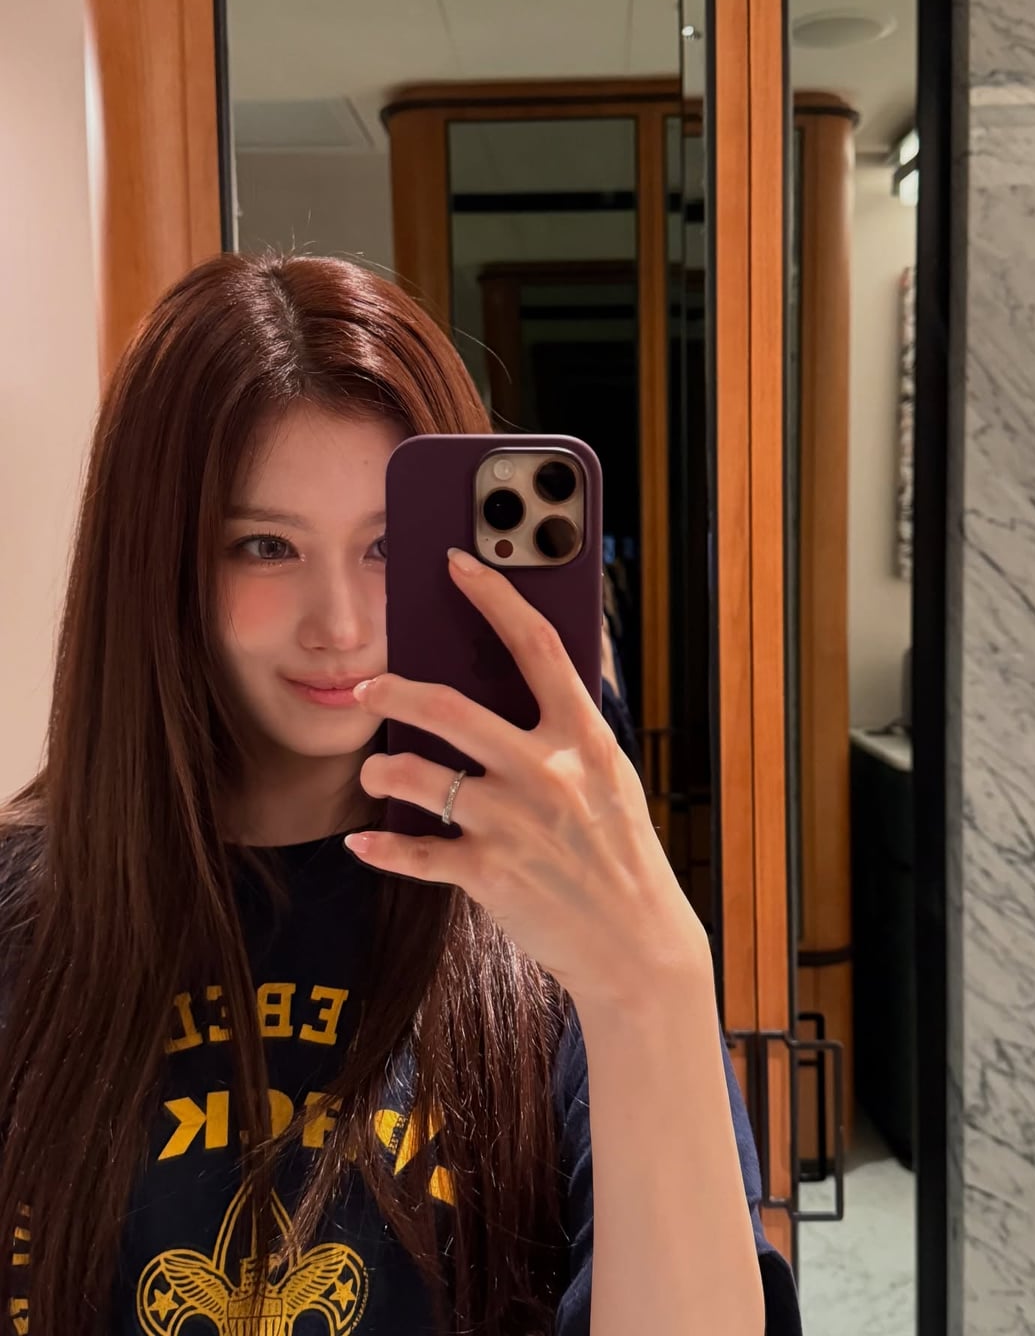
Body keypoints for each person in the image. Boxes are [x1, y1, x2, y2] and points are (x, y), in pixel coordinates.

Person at [0, 253, 801, 1335]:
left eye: (386, 546)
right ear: (155, 569)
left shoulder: (554, 915)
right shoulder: (25, 922)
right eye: (264, 546)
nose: (338, 624)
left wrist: (653, 981)